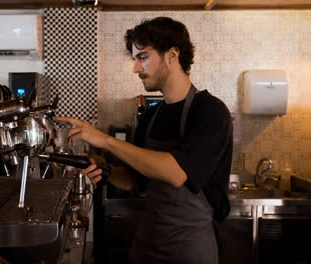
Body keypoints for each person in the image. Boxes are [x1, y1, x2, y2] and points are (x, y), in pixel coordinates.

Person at [56, 16, 232, 264]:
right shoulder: (151, 116)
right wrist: (102, 168)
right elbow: (137, 182)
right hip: (147, 245)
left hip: (189, 250)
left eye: (143, 57)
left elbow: (176, 173)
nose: (136, 68)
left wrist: (106, 141)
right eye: (135, 59)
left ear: (172, 55)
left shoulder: (210, 112)